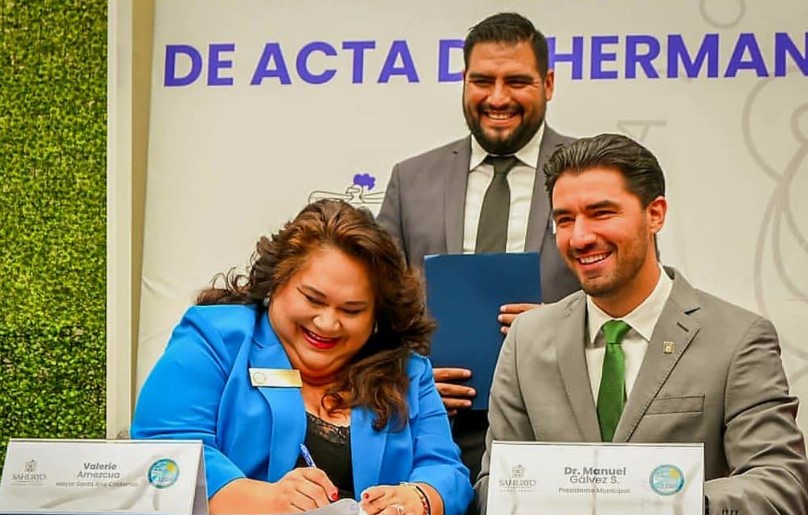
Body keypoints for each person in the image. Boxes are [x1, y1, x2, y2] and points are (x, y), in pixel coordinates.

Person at [477, 133, 808, 514]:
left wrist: (668, 503)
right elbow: (495, 485)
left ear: (655, 214)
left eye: (602, 213)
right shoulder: (526, 340)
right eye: (565, 220)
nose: (581, 237)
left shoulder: (736, 339)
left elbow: (780, 485)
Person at [131, 200, 473, 515]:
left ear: (376, 317)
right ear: (276, 281)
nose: (327, 323)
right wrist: (264, 500)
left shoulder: (408, 370)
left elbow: (447, 471)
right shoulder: (217, 337)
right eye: (312, 299)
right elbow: (167, 450)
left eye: (352, 310)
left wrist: (420, 498)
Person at [377, 12, 580, 483]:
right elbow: (374, 305)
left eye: (517, 81)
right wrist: (412, 382)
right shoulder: (412, 179)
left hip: (560, 428)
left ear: (548, 83)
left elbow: (630, 290)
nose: (498, 98)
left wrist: (563, 325)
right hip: (435, 432)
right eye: (482, 80)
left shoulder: (591, 173)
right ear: (463, 81)